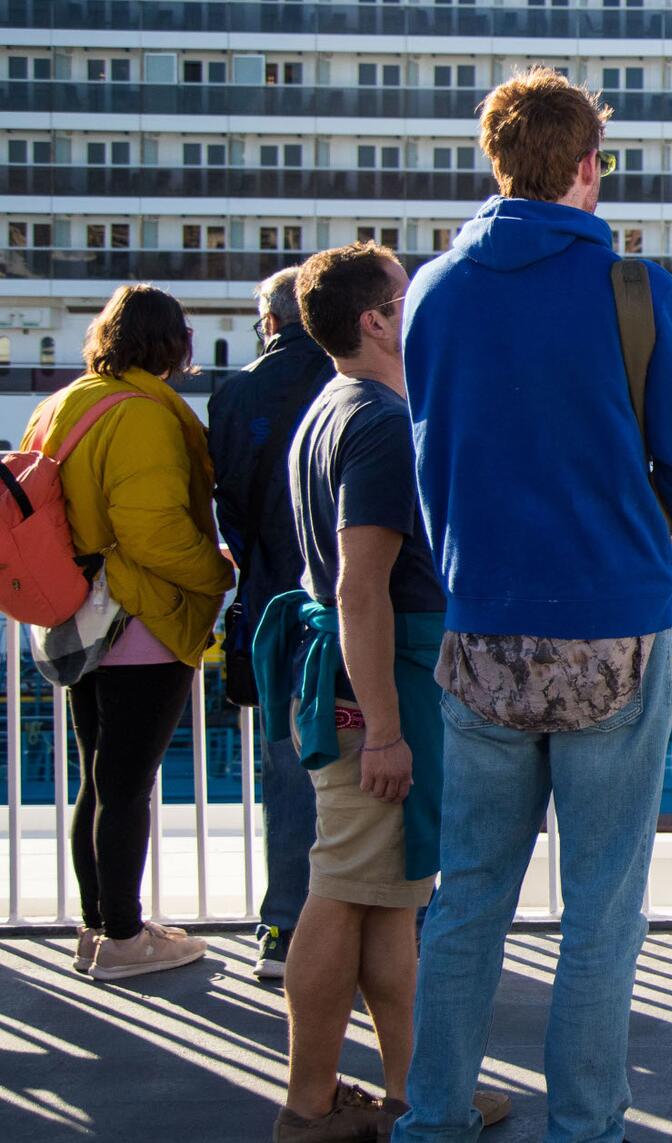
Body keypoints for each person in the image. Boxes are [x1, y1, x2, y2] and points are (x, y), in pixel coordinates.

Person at [395, 68, 672, 1142]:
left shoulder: (432, 294)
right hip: (610, 625)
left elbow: (431, 454)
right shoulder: (633, 290)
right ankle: (583, 1126)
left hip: (481, 627)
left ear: (497, 162)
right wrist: (642, 524)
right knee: (600, 909)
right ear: (588, 167)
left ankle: (433, 1118)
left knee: (466, 900)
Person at [256, 243, 509, 1142]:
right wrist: (387, 732)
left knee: (389, 895)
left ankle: (413, 1090)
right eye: (408, 297)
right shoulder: (378, 424)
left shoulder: (331, 407)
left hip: (360, 677)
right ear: (376, 319)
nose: (421, 309)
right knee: (341, 886)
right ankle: (310, 1102)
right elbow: (361, 585)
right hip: (379, 683)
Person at [25, 285, 234, 981]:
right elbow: (151, 528)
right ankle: (122, 937)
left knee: (100, 776)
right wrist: (216, 572)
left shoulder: (63, 403)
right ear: (172, 343)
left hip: (78, 611)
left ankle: (100, 926)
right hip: (136, 616)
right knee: (127, 781)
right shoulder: (142, 415)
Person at [209, 264, 336, 981]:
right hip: (359, 602)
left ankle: (285, 927)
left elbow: (229, 514)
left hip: (272, 609)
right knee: (385, 761)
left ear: (270, 321)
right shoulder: (361, 381)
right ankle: (388, 927)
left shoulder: (233, 395)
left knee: (287, 767)